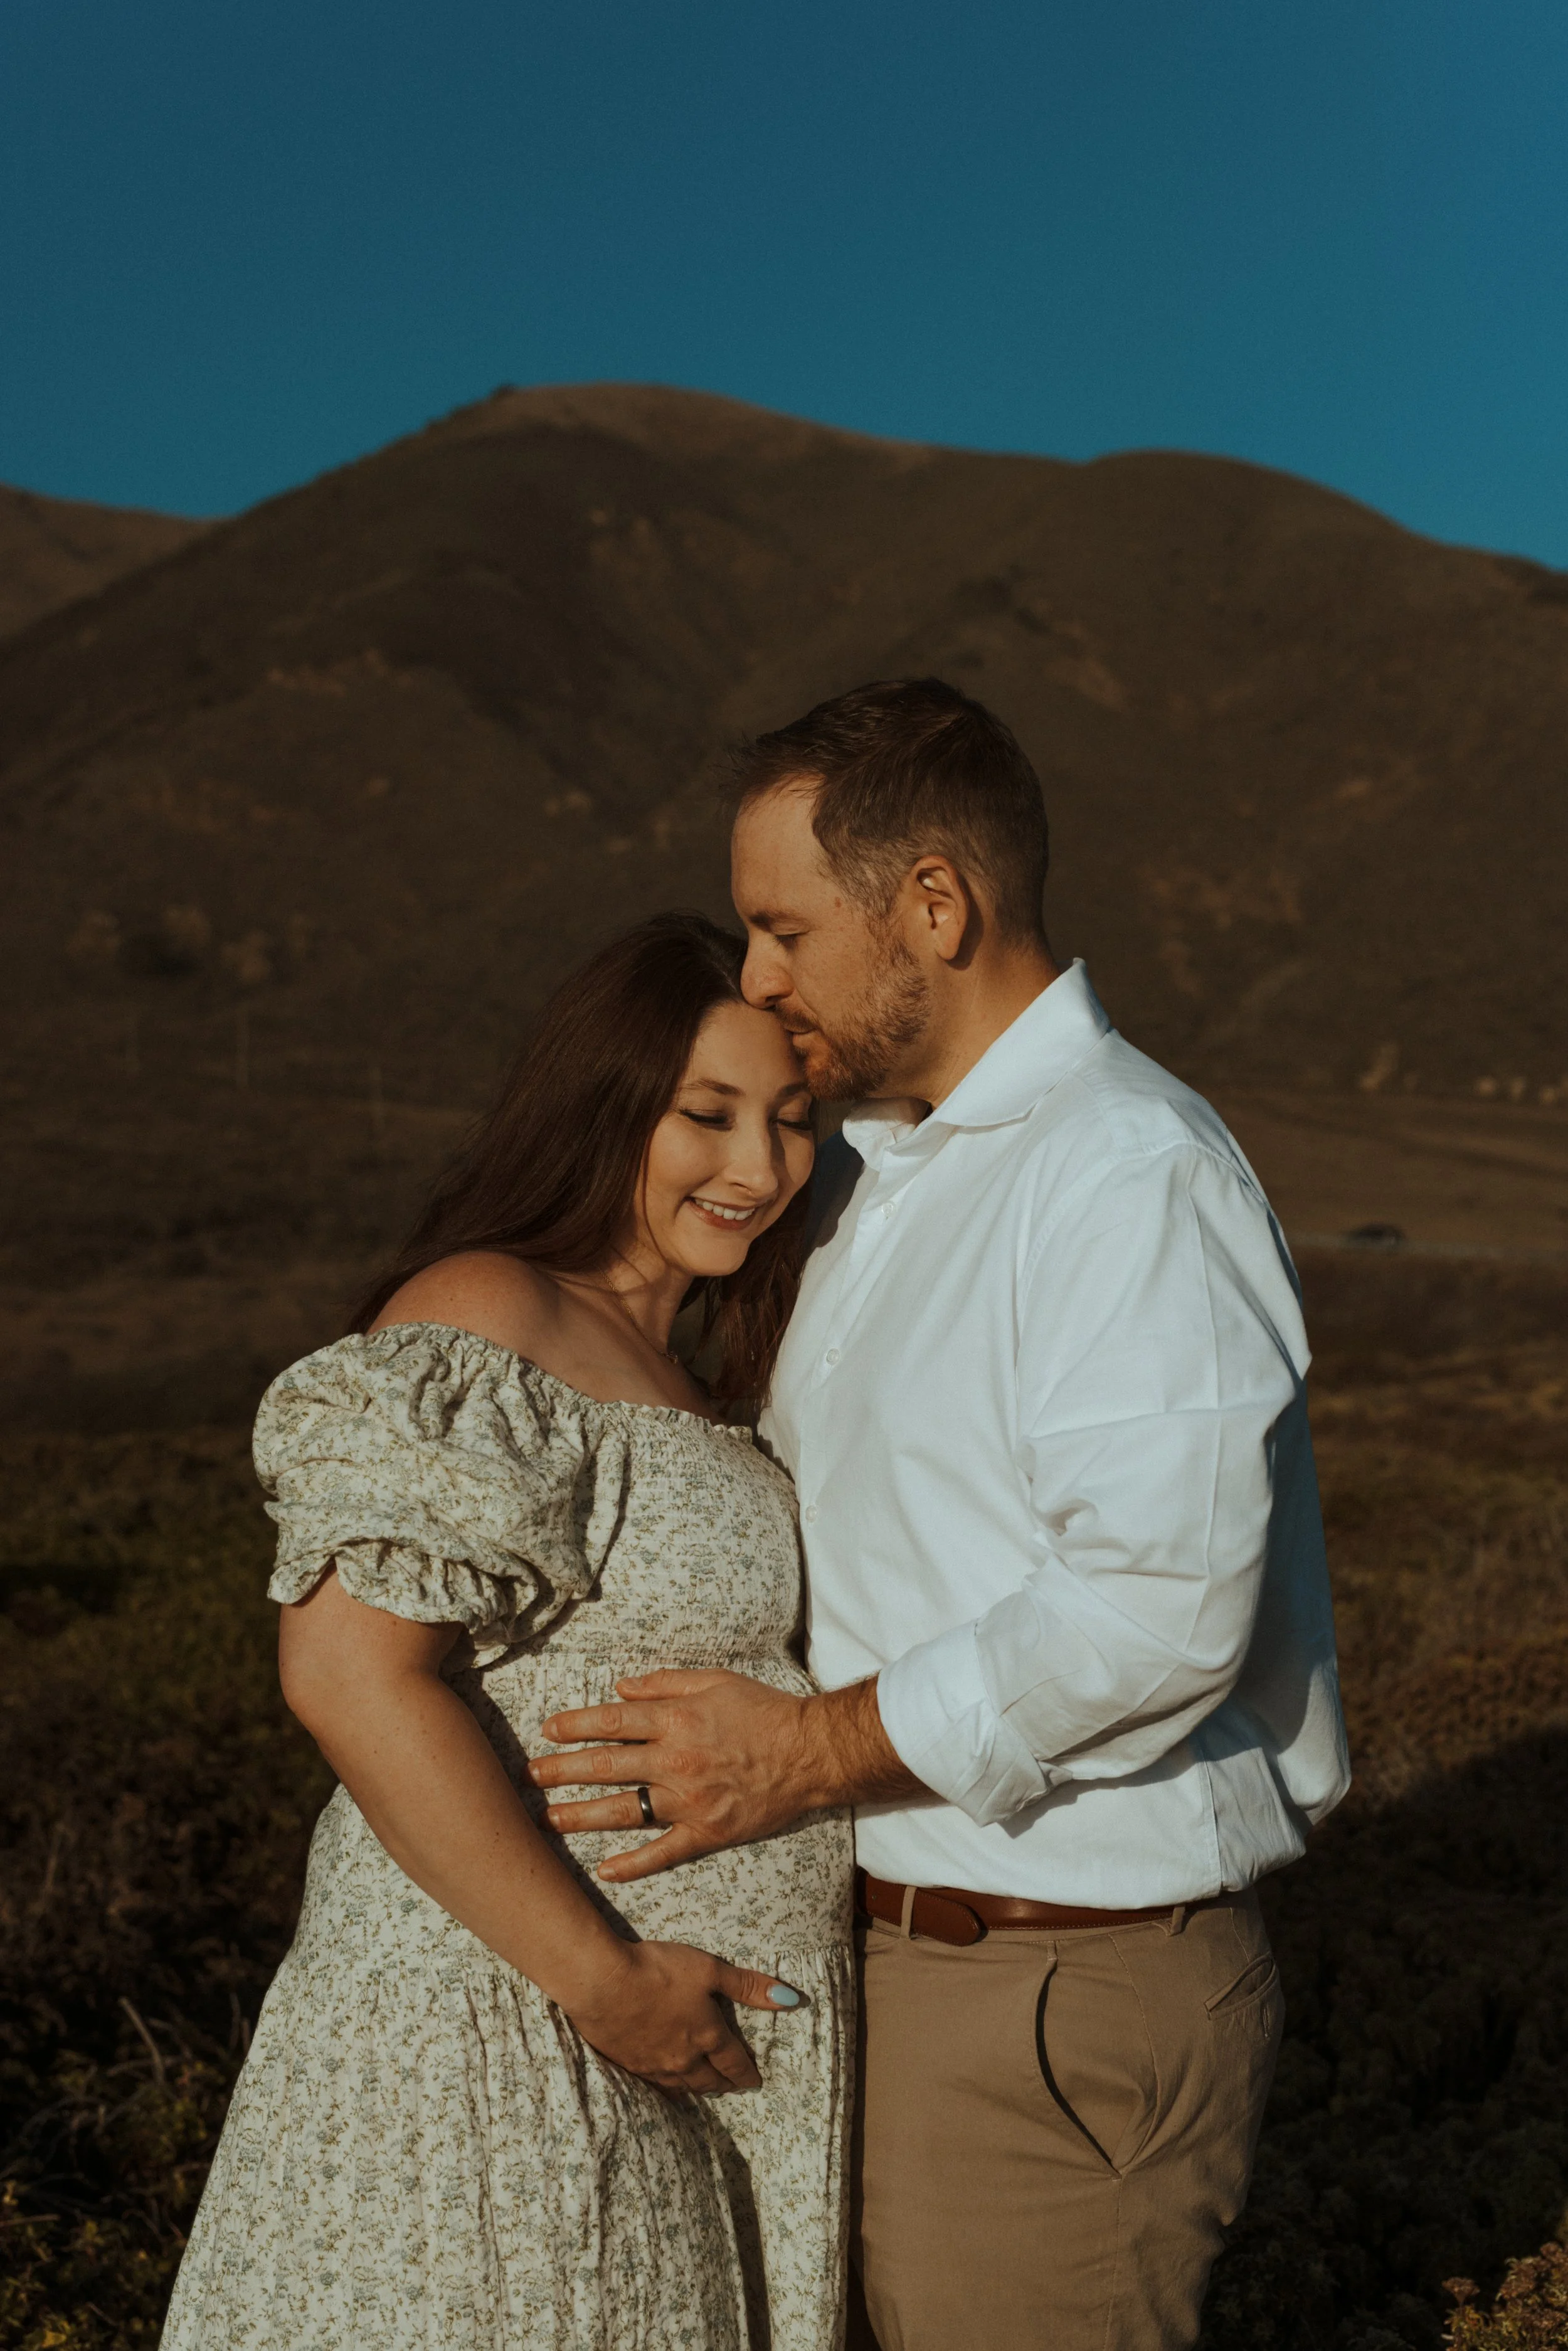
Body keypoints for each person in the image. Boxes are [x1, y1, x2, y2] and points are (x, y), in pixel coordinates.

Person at [529, 679, 1352, 2351]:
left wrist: (798, 1753)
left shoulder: (1123, 1169)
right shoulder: (865, 1175)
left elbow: (1157, 1606)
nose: (755, 977)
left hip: (1046, 1986)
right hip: (867, 1970)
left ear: (931, 904)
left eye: (781, 927)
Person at [160, 913, 855, 2351]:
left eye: (790, 1120)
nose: (759, 1166)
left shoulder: (678, 1361)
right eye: (706, 1114)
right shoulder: (495, 1308)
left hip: (622, 2050)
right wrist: (609, 1986)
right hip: (500, 2031)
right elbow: (348, 1670)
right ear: (606, 1110)